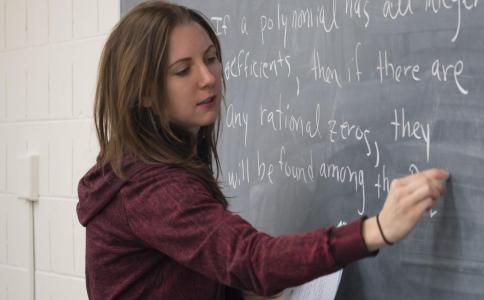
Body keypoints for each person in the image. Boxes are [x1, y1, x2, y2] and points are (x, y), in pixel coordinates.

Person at [76, 1, 449, 299]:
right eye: (182, 70)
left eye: (210, 58)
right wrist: (377, 229)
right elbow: (251, 258)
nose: (208, 78)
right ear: (143, 91)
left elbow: (177, 276)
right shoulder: (150, 189)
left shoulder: (142, 168)